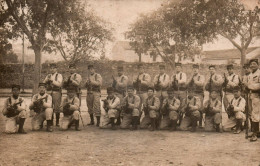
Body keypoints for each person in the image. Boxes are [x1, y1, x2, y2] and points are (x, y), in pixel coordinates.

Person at [246, 59, 260, 142]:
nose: (252, 65)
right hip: (251, 95)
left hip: (257, 95)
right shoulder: (250, 75)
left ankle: (255, 133)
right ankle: (256, 131)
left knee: (256, 113)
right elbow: (248, 84)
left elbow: (258, 85)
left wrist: (249, 87)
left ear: (258, 65)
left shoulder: (259, 73)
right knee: (252, 113)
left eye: (254, 64)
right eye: (251, 64)